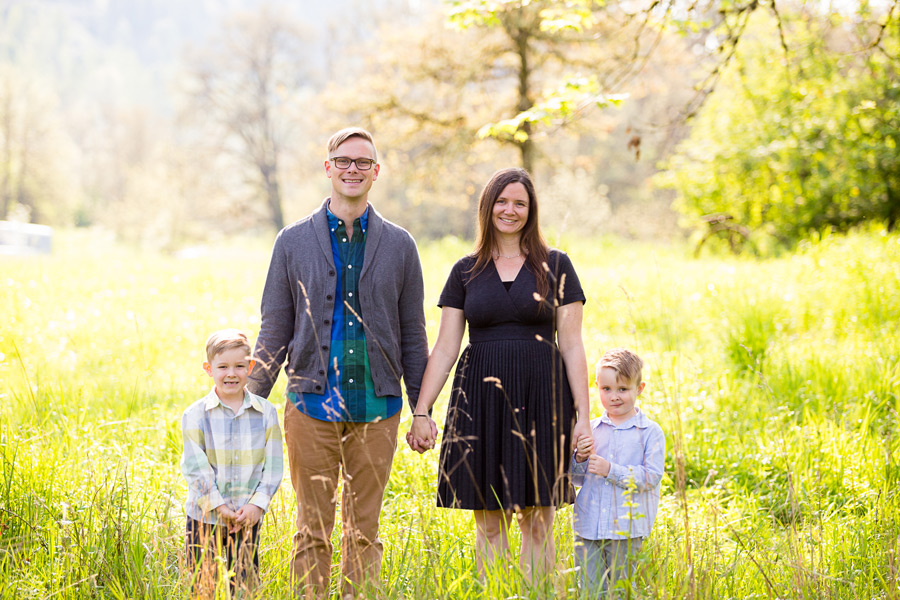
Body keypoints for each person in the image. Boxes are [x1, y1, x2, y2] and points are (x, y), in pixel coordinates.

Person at [248, 127, 429, 598]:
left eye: (362, 163)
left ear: (376, 172)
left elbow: (413, 332)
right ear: (328, 168)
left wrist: (422, 408)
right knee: (312, 529)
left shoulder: (401, 245)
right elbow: (275, 326)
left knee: (364, 530)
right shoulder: (291, 241)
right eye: (343, 161)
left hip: (378, 407)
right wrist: (246, 404)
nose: (353, 170)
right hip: (311, 405)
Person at [407, 167, 592, 581]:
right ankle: (494, 591)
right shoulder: (465, 270)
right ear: (488, 207)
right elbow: (446, 348)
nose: (510, 210)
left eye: (520, 203)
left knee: (538, 516)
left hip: (544, 397)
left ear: (532, 210)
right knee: (489, 519)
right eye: (502, 202)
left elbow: (573, 344)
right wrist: (423, 410)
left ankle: (535, 592)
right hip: (480, 399)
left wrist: (583, 415)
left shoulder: (557, 265)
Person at [181, 329, 284, 594]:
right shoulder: (195, 415)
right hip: (204, 517)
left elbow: (272, 467)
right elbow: (195, 468)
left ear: (250, 367)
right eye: (223, 366)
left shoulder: (265, 413)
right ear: (208, 368)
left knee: (245, 585)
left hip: (246, 516)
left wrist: (257, 506)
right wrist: (219, 506)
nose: (231, 373)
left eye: (239, 366)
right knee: (202, 586)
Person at [571, 348, 665, 597]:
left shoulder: (649, 432)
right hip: (588, 525)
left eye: (623, 389)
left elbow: (652, 477)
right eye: (607, 389)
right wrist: (579, 457)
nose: (614, 396)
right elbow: (576, 479)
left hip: (626, 528)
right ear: (597, 387)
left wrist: (611, 470)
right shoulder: (590, 429)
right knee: (589, 590)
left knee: (620, 590)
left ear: (639, 388)